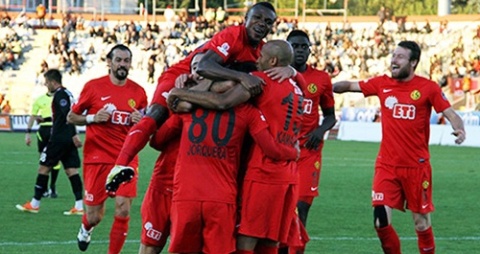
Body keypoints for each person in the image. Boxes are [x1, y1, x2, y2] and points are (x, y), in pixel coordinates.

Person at [105, 2, 294, 194]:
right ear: (245, 19)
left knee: (188, 120)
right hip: (181, 77)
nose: (262, 23)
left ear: (273, 27)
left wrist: (291, 69)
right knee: (156, 114)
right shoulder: (233, 35)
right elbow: (203, 66)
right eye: (257, 18)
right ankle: (119, 165)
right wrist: (241, 76)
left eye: (268, 21)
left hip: (204, 89)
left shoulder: (263, 52)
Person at [166, 40, 304, 253]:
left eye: (262, 57)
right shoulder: (297, 85)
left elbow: (222, 101)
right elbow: (301, 79)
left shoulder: (261, 81)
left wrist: (178, 92)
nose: (257, 60)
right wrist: (293, 70)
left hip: (264, 173)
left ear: (273, 61)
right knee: (271, 241)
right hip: (289, 176)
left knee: (246, 241)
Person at [333, 40, 466, 254]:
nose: (394, 60)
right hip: (386, 166)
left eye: (400, 57)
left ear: (413, 62)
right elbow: (350, 85)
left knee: (421, 224)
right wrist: (330, 86)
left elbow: (451, 114)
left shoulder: (428, 87)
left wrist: (460, 130)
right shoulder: (382, 83)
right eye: (393, 55)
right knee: (380, 222)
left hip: (416, 167)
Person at [67, 44, 148, 253]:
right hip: (97, 157)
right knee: (95, 215)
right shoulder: (93, 87)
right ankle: (86, 227)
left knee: (123, 208)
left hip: (126, 158)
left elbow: (146, 125)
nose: (123, 64)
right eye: (119, 60)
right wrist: (94, 118)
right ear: (109, 63)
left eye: (126, 60)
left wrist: (141, 120)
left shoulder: (138, 93)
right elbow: (71, 116)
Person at [281, 29, 337, 253]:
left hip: (308, 152)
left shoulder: (321, 79)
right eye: (295, 46)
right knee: (281, 209)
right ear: (287, 48)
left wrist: (320, 130)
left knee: (300, 207)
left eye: (305, 46)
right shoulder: (278, 76)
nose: (300, 50)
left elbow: (331, 115)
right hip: (281, 150)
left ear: (310, 50)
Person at [16, 69, 84, 215]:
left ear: (53, 82)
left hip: (59, 138)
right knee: (71, 170)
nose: (46, 85)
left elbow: (68, 114)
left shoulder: (60, 94)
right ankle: (79, 205)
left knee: (43, 168)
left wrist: (73, 134)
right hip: (67, 137)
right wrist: (74, 134)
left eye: (47, 83)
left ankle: (35, 204)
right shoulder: (68, 93)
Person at [25, 91, 61, 198]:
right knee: (43, 160)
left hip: (56, 130)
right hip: (43, 131)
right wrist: (28, 133)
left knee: (56, 160)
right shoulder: (39, 99)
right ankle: (44, 188)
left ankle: (52, 187)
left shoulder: (61, 98)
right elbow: (33, 116)